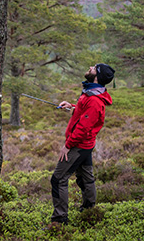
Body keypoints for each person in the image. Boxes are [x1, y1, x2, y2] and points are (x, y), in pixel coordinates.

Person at [49, 63, 115, 226]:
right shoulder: (91, 93)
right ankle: (88, 209)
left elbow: (84, 127)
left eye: (94, 68)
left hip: (78, 145)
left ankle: (59, 220)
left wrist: (68, 146)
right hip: (85, 145)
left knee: (58, 179)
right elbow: (83, 112)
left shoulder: (94, 100)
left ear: (97, 76)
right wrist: (71, 106)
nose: (90, 67)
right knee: (85, 177)